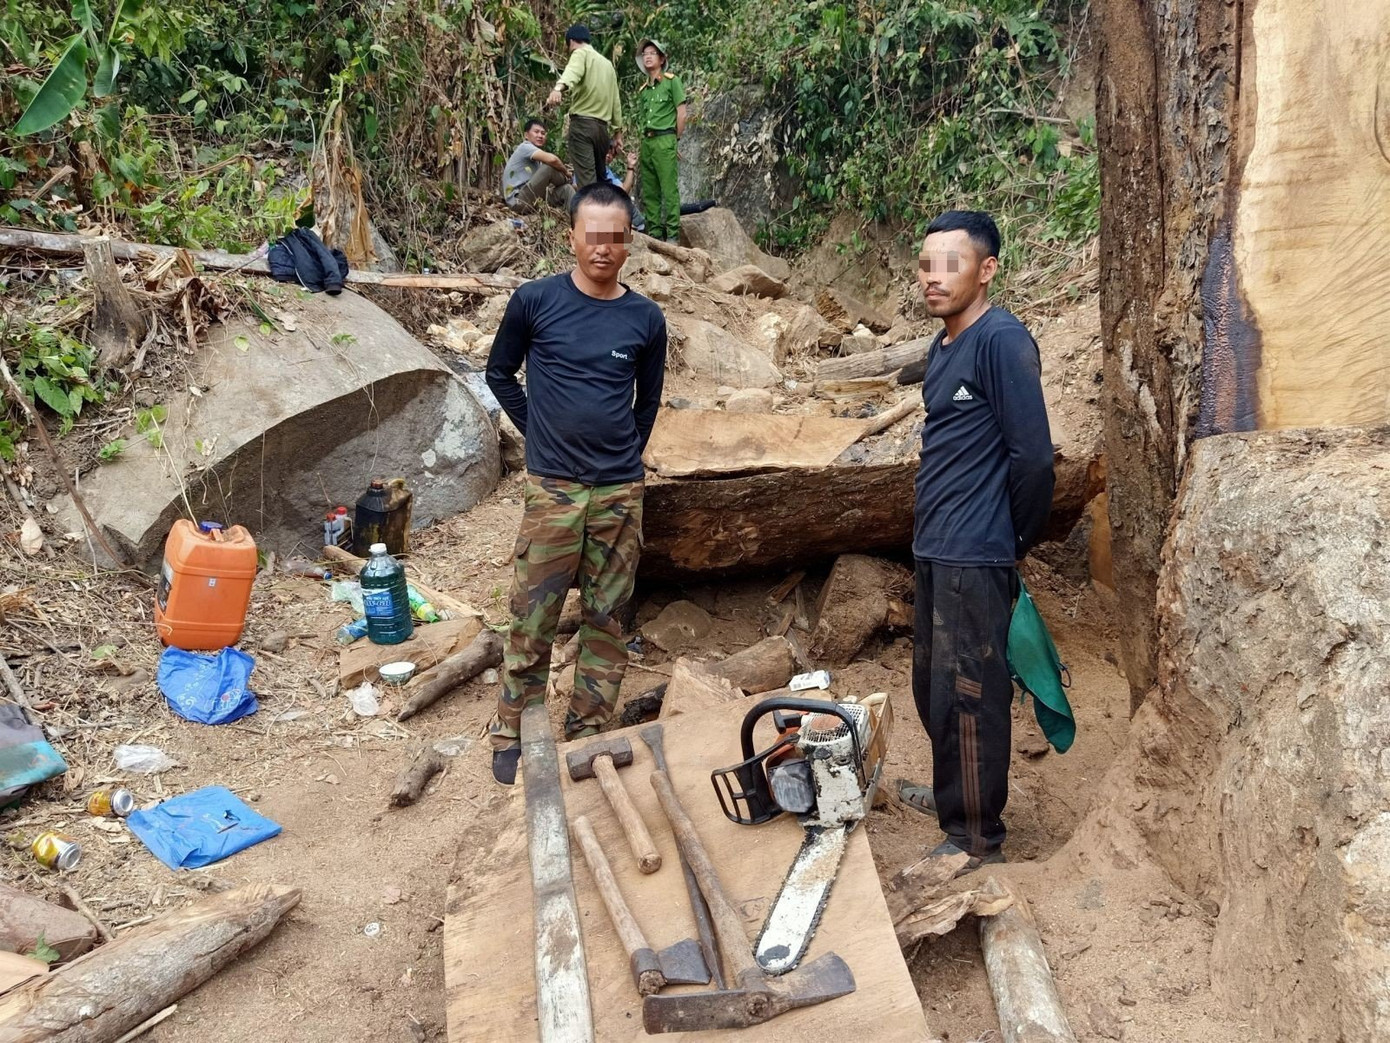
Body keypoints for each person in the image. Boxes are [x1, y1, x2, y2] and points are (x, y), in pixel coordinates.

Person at [484, 181, 667, 785]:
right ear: (571, 237)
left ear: (629, 242)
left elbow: (648, 401)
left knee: (608, 619)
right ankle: (513, 729)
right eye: (592, 236)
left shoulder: (645, 318)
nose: (603, 249)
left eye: (616, 237)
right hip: (553, 491)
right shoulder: (535, 301)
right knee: (534, 611)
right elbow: (499, 372)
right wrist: (538, 433)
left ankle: (586, 731)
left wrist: (626, 456)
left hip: (619, 492)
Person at [900, 210, 1055, 874]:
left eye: (951, 264)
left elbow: (1035, 461)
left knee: (969, 694)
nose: (934, 278)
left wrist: (1011, 539)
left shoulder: (1001, 340)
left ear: (986, 269)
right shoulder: (941, 348)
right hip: (936, 547)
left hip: (976, 550)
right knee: (931, 687)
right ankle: (951, 798)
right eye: (926, 264)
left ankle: (973, 835)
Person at [547, 25, 623, 189]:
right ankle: (607, 213)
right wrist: (618, 133)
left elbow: (572, 73)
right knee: (601, 181)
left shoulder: (580, 53)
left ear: (572, 42)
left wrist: (558, 88)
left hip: (583, 127)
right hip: (602, 130)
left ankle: (589, 215)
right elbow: (615, 100)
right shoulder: (607, 64)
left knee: (587, 183)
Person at [634, 38, 686, 242]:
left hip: (665, 139)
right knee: (650, 190)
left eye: (652, 53)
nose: (647, 56)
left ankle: (672, 234)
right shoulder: (643, 90)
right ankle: (655, 233)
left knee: (668, 189)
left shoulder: (672, 81)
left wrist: (676, 140)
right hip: (647, 142)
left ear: (662, 58)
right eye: (645, 53)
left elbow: (681, 113)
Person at [502, 119, 573, 212]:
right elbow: (553, 160)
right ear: (526, 135)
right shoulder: (525, 147)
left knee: (566, 189)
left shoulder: (536, 161)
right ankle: (569, 180)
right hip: (519, 200)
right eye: (536, 132)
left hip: (533, 200)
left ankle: (575, 220)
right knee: (548, 168)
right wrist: (566, 173)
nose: (540, 135)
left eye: (543, 133)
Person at [602, 139, 645, 233]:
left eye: (611, 154)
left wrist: (630, 166)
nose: (609, 156)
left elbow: (624, 190)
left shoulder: (607, 171)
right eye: (606, 153)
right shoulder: (589, 167)